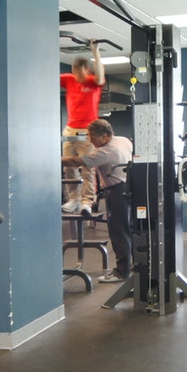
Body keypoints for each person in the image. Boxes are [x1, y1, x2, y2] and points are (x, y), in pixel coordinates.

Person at [62, 118, 132, 283]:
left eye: (93, 138)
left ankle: (121, 272)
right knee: (128, 230)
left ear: (105, 136)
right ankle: (133, 266)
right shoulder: (123, 140)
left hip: (117, 191)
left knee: (118, 232)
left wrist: (54, 159)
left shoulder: (106, 151)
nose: (90, 141)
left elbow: (77, 161)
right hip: (128, 188)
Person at [59, 42, 105, 213]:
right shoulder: (69, 79)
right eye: (74, 72)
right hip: (70, 130)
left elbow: (100, 76)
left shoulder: (93, 82)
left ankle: (87, 201)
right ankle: (74, 199)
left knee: (87, 168)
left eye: (79, 72)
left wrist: (96, 52)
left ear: (87, 70)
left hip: (88, 131)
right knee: (68, 167)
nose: (76, 75)